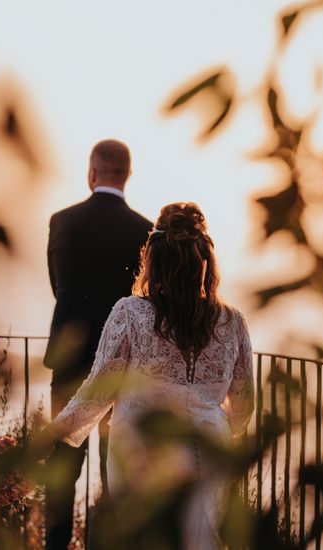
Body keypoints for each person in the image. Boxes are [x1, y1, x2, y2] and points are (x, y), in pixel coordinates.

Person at [39, 202, 255, 549]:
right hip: (209, 454)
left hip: (140, 453)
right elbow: (243, 408)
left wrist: (44, 439)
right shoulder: (232, 323)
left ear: (153, 259)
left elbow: (95, 396)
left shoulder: (130, 314)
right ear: (206, 263)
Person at [43, 139, 153, 550]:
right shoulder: (145, 230)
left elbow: (59, 287)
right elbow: (145, 300)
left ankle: (56, 544)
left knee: (62, 462)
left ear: (92, 173)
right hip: (123, 367)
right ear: (127, 175)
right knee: (115, 465)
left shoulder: (62, 222)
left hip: (71, 359)